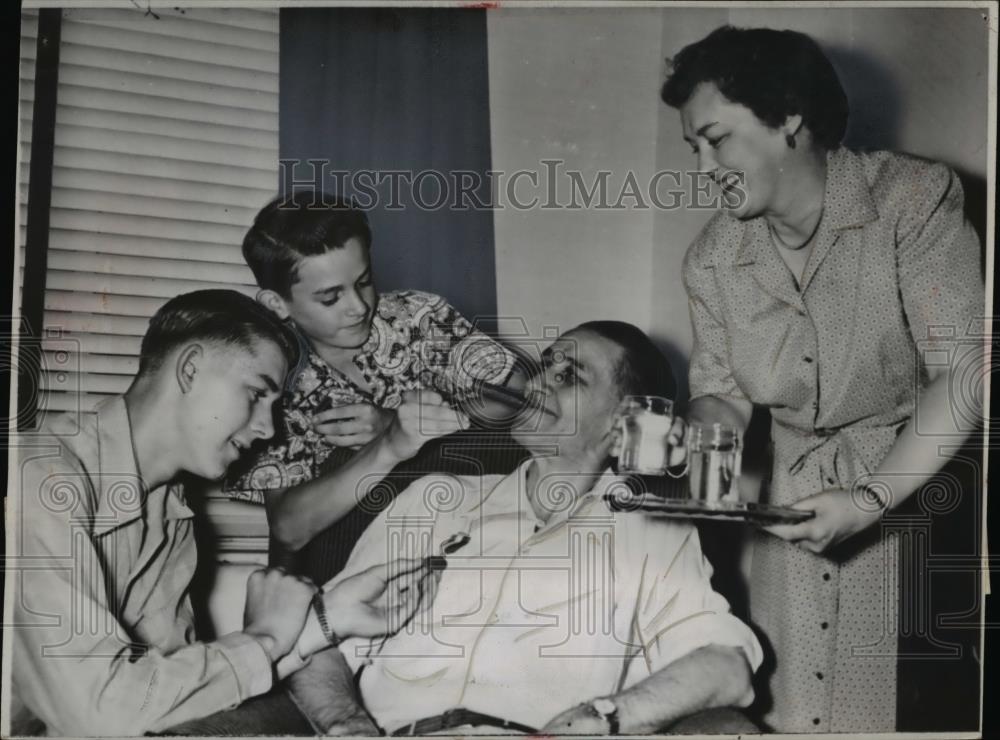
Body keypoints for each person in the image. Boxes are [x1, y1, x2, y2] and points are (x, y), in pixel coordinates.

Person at [660, 26, 985, 733]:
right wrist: (700, 441)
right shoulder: (713, 258)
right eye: (694, 147)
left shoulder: (913, 200)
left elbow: (961, 375)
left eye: (716, 138)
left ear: (788, 119)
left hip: (916, 497)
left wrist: (871, 498)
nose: (703, 164)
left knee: (903, 714)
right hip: (792, 512)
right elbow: (723, 392)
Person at [286, 321, 764, 735]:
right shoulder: (433, 501)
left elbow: (726, 665)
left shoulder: (653, 531)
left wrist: (600, 719)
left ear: (624, 424)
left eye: (568, 376)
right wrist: (347, 726)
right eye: (544, 366)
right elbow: (317, 641)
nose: (535, 384)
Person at [8, 290, 429, 736]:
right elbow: (98, 714)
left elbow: (163, 699)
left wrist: (325, 621)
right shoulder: (39, 476)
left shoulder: (170, 513)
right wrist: (266, 636)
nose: (268, 429)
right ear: (190, 369)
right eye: (255, 393)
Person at [226, 192, 518, 565]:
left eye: (363, 282)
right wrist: (387, 445)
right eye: (330, 298)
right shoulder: (270, 377)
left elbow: (521, 401)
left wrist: (404, 424)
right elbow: (288, 528)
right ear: (276, 304)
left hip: (471, 545)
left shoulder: (419, 317)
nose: (359, 307)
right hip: (349, 573)